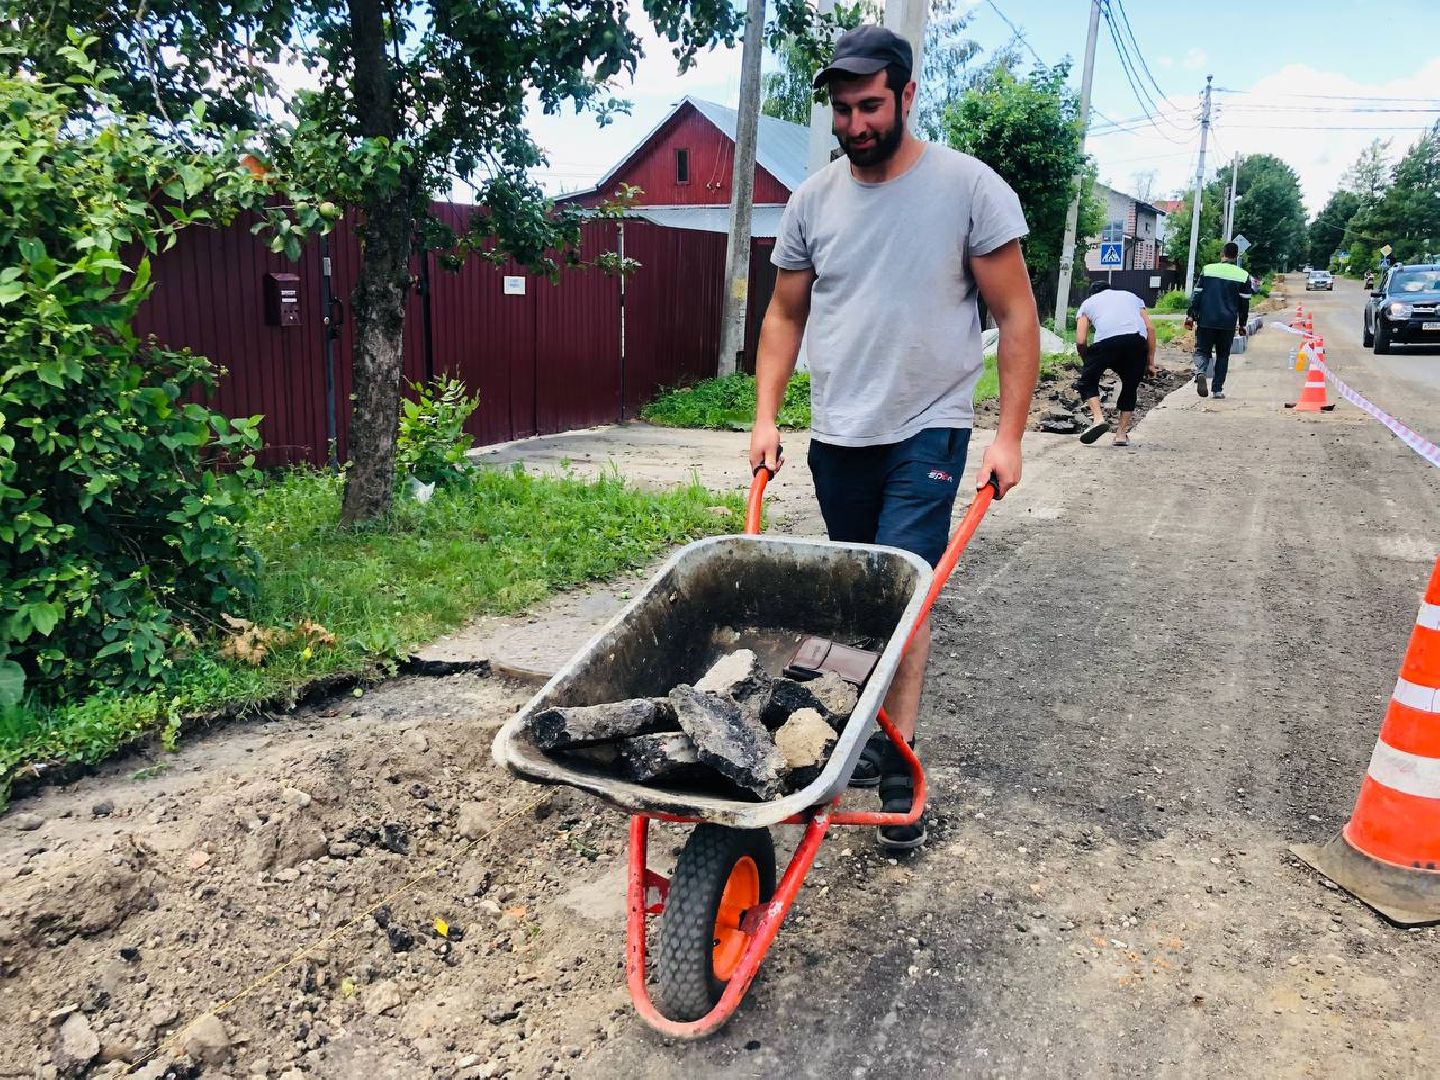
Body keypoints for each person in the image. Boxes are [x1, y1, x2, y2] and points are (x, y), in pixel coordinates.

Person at [746, 23, 1040, 851]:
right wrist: (768, 418)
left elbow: (1017, 315)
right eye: (842, 110)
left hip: (930, 428)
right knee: (863, 593)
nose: (853, 125)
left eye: (869, 106)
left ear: (908, 95)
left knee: (904, 590)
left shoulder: (969, 189)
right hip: (840, 433)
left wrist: (1008, 437)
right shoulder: (813, 201)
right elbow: (784, 313)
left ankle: (895, 754)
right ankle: (858, 728)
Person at [1073, 282, 1157, 447]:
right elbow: (1150, 328)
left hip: (1106, 342)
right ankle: (1121, 435)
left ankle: (1098, 419)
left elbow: (1081, 341)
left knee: (1087, 382)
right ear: (1110, 289)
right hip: (1136, 341)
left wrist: (1088, 363)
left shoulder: (1088, 304)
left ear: (1092, 294)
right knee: (1129, 386)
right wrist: (1150, 362)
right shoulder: (1132, 297)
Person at [1185, 241, 1252, 400]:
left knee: (1202, 350)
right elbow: (1244, 303)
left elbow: (1197, 295)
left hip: (1206, 320)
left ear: (1222, 253)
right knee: (1223, 355)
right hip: (1227, 323)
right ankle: (1217, 390)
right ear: (1236, 256)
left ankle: (1201, 371)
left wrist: (1191, 315)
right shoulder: (1243, 275)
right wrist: (1242, 324)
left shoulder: (1208, 270)